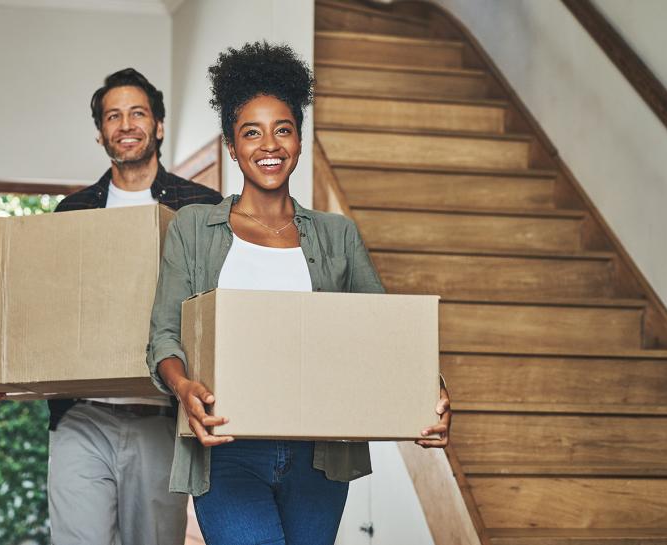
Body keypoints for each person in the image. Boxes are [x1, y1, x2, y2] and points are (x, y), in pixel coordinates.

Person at [146, 42, 451, 545]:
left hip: (321, 454)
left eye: (283, 129)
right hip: (226, 448)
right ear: (231, 144)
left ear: (300, 141)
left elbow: (386, 334)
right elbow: (164, 335)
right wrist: (183, 389)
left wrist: (430, 391)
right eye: (252, 132)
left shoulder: (338, 235)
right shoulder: (194, 228)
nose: (270, 144)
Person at [0, 67, 222, 545]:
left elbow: (217, 311)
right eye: (113, 116)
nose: (126, 125)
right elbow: (43, 315)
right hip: (82, 418)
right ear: (101, 132)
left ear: (159, 125)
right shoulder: (73, 212)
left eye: (138, 113)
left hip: (161, 418)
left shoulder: (202, 208)